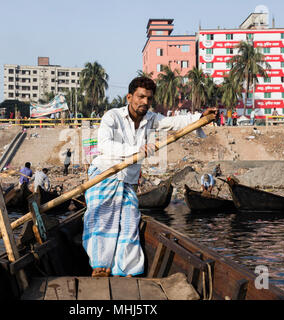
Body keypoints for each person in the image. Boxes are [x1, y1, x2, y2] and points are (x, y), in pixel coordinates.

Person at [83, 76, 216, 278]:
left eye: (149, 98)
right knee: (102, 220)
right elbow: (104, 145)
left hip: (127, 179)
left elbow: (174, 121)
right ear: (129, 97)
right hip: (104, 174)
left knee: (129, 222)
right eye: (141, 97)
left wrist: (199, 117)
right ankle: (100, 266)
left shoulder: (151, 119)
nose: (145, 102)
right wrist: (137, 148)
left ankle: (124, 270)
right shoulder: (112, 116)